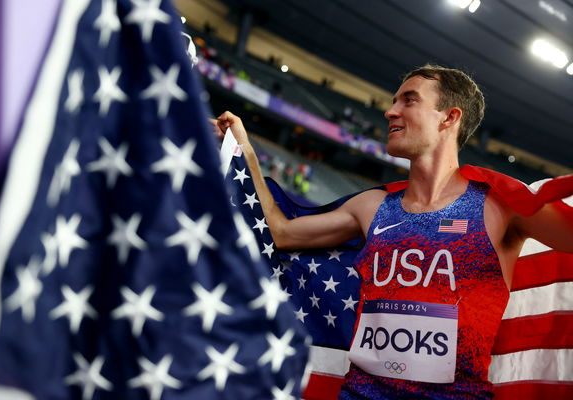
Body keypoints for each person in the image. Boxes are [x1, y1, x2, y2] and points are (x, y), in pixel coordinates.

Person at [212, 64, 573, 399]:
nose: (390, 111)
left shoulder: (502, 207)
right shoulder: (371, 206)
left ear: (450, 117)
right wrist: (244, 148)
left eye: (409, 100)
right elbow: (281, 232)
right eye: (394, 100)